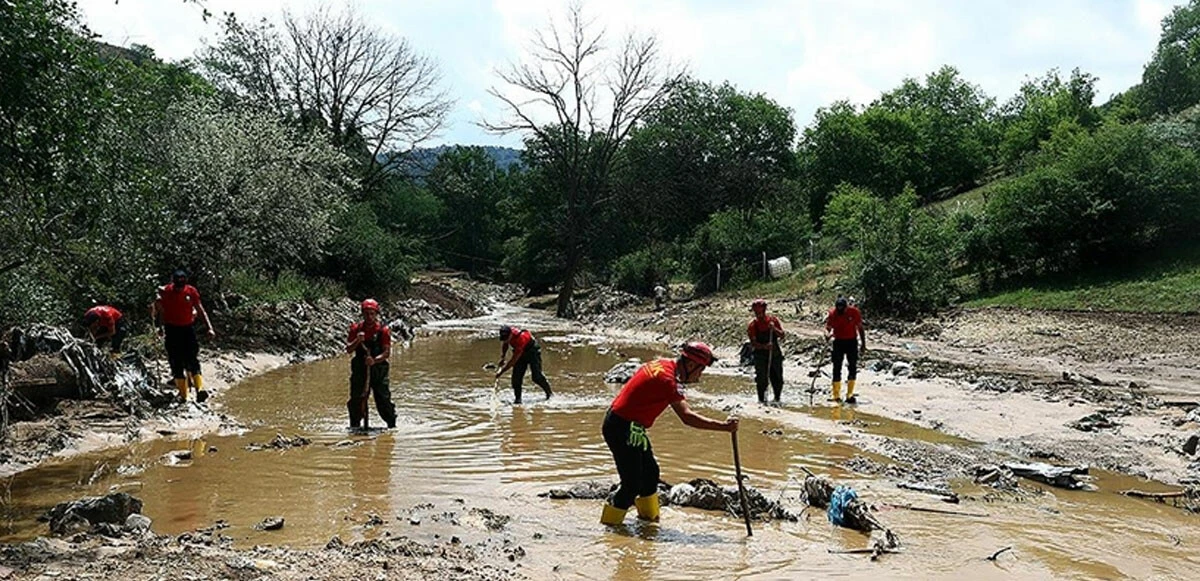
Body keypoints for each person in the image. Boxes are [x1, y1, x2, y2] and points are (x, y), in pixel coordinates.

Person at [600, 342, 739, 525]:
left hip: (631, 426)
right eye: (701, 370)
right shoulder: (669, 381)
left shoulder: (662, 364)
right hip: (621, 427)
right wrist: (723, 427)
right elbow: (687, 417)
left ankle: (648, 522)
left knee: (650, 475)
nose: (699, 376)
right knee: (631, 485)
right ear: (690, 365)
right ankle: (610, 530)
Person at [151, 270, 215, 403]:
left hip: (187, 329)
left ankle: (200, 389)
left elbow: (200, 309)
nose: (180, 287)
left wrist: (209, 328)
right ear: (173, 281)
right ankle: (184, 395)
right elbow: (160, 310)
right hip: (172, 330)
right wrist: (160, 326)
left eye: (182, 283)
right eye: (177, 283)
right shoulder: (165, 292)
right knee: (176, 361)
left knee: (192, 360)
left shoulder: (191, 291)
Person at [346, 299, 397, 429]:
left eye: (372, 314)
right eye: (366, 313)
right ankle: (355, 428)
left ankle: (391, 425)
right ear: (362, 314)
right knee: (357, 399)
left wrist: (375, 360)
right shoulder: (355, 329)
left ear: (376, 314)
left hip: (379, 370)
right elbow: (348, 349)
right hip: (359, 369)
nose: (369, 317)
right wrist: (357, 340)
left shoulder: (383, 331)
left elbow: (386, 353)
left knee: (383, 399)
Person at [824, 295, 866, 404]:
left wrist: (863, 344)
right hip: (838, 342)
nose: (840, 310)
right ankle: (836, 395)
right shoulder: (833, 313)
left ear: (846, 307)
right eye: (838, 308)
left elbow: (860, 328)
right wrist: (827, 334)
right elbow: (827, 328)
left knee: (852, 366)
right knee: (836, 367)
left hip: (851, 342)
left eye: (842, 308)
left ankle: (849, 394)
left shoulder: (854, 312)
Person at [495, 325, 552, 404]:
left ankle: (549, 394)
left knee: (536, 377)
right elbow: (505, 344)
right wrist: (503, 357)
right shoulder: (507, 335)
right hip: (520, 352)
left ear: (511, 334)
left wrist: (501, 372)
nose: (505, 341)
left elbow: (513, 361)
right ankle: (518, 400)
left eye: (507, 339)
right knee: (516, 378)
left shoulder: (520, 338)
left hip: (532, 351)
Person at [747, 299, 785, 405]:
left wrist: (774, 329)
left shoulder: (773, 320)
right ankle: (761, 400)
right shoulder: (752, 325)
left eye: (759, 312)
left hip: (775, 354)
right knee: (762, 379)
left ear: (764, 310)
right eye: (756, 312)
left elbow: (782, 335)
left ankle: (777, 398)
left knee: (777, 378)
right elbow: (753, 343)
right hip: (760, 355)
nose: (758, 314)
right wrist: (764, 347)